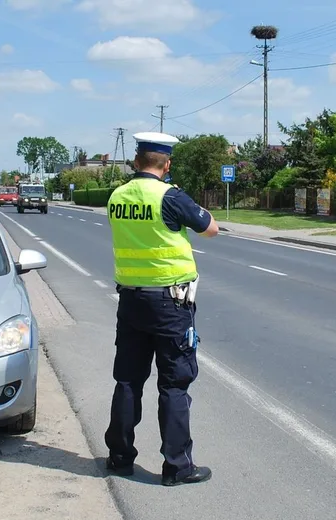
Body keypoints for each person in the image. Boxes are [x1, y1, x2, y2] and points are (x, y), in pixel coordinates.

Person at [103, 132, 219, 487]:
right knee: (174, 385)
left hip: (131, 301)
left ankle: (120, 457)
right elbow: (211, 229)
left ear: (136, 162)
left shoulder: (116, 196)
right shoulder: (171, 196)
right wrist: (179, 197)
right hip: (170, 304)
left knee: (127, 380)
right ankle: (177, 466)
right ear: (166, 165)